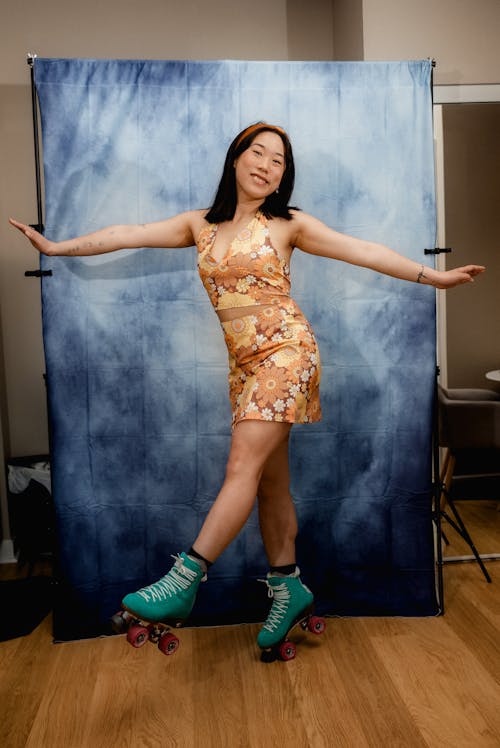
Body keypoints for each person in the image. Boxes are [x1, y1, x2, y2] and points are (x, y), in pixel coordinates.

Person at [9, 121, 485, 654]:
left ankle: (183, 581)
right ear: (236, 160)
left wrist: (436, 277)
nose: (265, 164)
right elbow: (128, 233)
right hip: (244, 368)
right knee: (267, 483)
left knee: (241, 466)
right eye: (256, 153)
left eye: (277, 160)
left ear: (283, 177)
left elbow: (364, 250)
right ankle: (289, 586)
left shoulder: (288, 224)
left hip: (289, 353)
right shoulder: (199, 225)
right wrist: (55, 246)